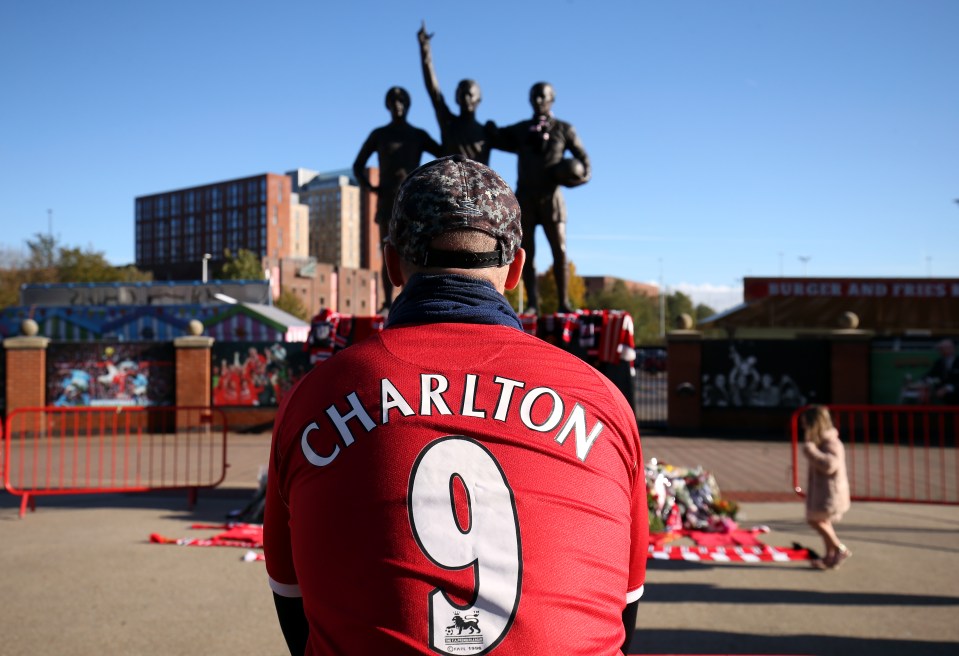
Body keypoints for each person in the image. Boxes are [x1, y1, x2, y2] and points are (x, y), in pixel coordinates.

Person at [264, 155, 647, 655]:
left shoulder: (313, 398)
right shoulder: (603, 403)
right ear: (516, 269)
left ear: (393, 263)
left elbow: (295, 612)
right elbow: (623, 612)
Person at [488, 82, 590, 314]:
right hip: (526, 197)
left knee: (560, 251)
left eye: (543, 97)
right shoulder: (522, 130)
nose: (538, 101)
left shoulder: (565, 129)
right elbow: (497, 138)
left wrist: (573, 179)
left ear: (552, 99)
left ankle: (564, 302)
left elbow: (586, 165)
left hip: (552, 198)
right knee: (527, 252)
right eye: (534, 96)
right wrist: (490, 129)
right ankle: (533, 302)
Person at [352, 86, 442, 310]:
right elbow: (358, 166)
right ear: (388, 106)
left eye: (401, 101)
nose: (398, 106)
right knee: (389, 250)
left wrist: (429, 184)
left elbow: (444, 154)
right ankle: (387, 302)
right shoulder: (380, 134)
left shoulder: (417, 135)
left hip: (414, 201)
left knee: (416, 250)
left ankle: (411, 299)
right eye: (393, 102)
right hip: (388, 201)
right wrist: (371, 188)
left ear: (408, 105)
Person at [417, 21, 491, 164]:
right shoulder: (448, 123)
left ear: (479, 99)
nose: (466, 98)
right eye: (462, 94)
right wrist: (425, 49)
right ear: (456, 98)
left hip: (479, 186)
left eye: (470, 94)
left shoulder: (486, 132)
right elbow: (434, 91)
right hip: (449, 185)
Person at [800, 405, 852, 570]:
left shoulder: (830, 443)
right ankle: (830, 555)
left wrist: (811, 451)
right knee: (823, 521)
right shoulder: (823, 441)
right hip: (825, 492)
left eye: (806, 425)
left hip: (829, 493)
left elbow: (830, 465)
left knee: (815, 520)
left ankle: (838, 548)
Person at [924, 338, 959, 404]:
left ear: (952, 348)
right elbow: (930, 374)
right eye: (940, 349)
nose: (940, 351)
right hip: (942, 393)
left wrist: (947, 388)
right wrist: (922, 381)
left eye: (943, 348)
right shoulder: (939, 362)